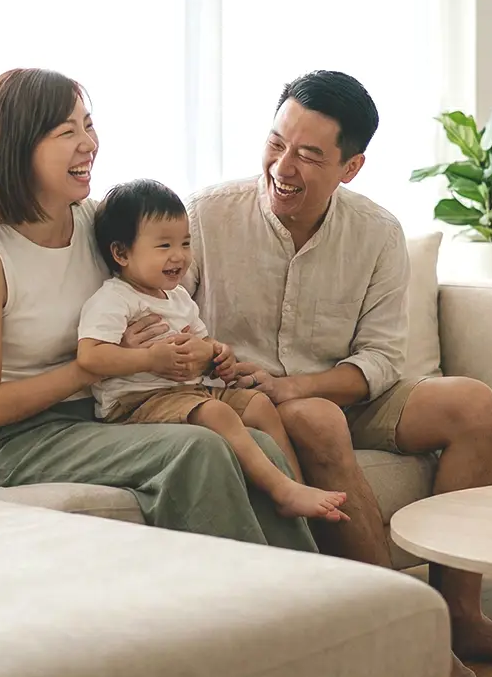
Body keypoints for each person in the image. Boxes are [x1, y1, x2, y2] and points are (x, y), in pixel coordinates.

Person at [120, 69, 492, 677]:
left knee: (471, 404)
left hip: (343, 387)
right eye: (276, 143)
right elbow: (163, 307)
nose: (282, 168)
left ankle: (461, 614)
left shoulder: (376, 231)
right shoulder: (206, 216)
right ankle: (405, 629)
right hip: (252, 399)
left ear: (350, 167)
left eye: (308, 155)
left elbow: (381, 357)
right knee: (317, 420)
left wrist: (298, 383)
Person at [0, 67, 318, 554]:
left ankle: (312, 587)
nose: (89, 144)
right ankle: (249, 595)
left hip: (102, 415)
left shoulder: (98, 224)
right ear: (19, 147)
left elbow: (153, 297)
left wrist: (198, 352)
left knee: (258, 444)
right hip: (13, 442)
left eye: (89, 125)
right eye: (68, 132)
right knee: (198, 448)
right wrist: (95, 366)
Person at [78, 178, 348, 523]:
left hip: (187, 392)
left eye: (185, 243)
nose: (179, 255)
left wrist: (217, 354)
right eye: (164, 245)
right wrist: (149, 359)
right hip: (134, 402)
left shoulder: (177, 296)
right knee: (217, 414)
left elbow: (203, 343)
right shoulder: (114, 299)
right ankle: (283, 490)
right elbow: (91, 356)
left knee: (259, 404)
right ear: (121, 253)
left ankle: (294, 488)